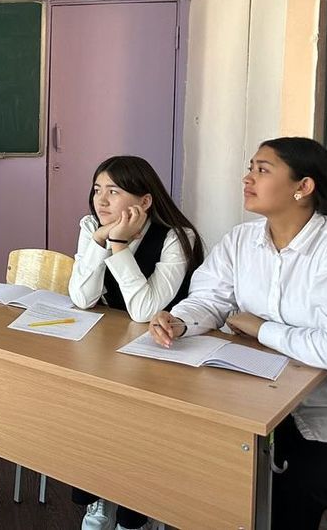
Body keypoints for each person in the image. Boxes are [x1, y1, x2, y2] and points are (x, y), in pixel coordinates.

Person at [149, 137, 327, 530]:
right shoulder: (241, 240)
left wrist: (261, 329)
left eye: (262, 170)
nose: (247, 178)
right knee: (196, 464)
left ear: (303, 187)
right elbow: (210, 298)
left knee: (289, 499)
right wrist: (180, 320)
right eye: (250, 168)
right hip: (256, 396)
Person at [68, 155, 203, 530]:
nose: (101, 200)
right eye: (97, 189)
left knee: (136, 428)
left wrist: (118, 245)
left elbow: (145, 310)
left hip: (163, 353)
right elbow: (82, 298)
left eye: (113, 191)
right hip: (109, 348)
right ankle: (99, 496)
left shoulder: (176, 237)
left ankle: (137, 512)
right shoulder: (91, 226)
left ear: (144, 201)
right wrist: (99, 240)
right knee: (88, 410)